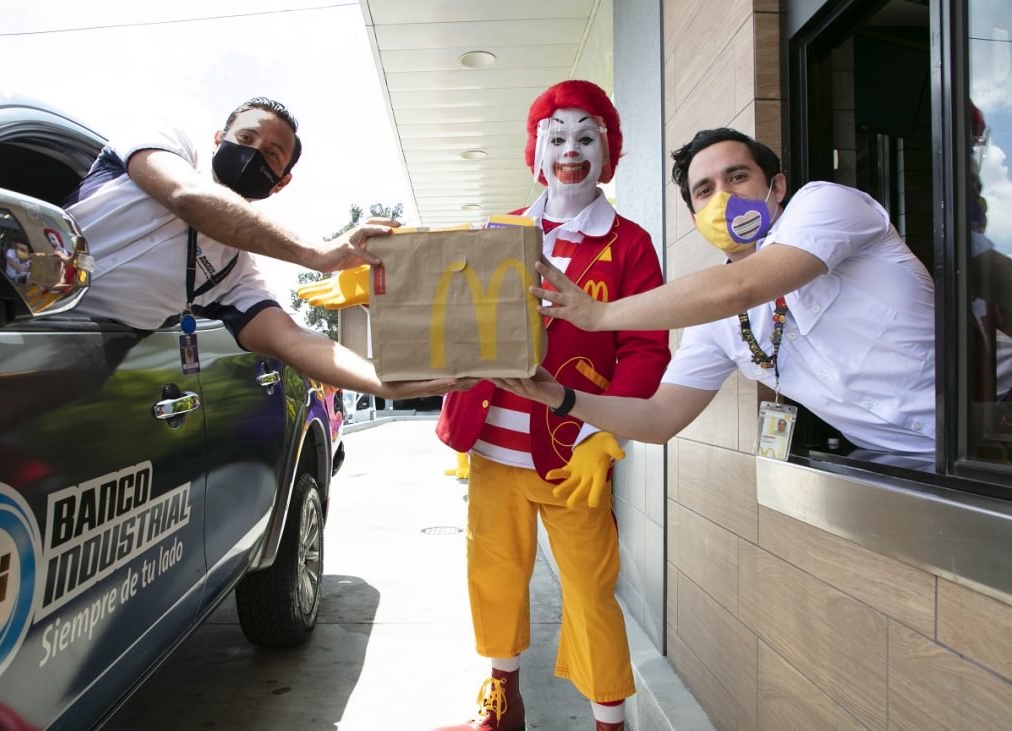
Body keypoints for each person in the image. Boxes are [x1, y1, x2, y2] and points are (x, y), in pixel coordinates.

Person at [430, 81, 670, 731]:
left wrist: (604, 429)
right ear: (536, 150)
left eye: (586, 137)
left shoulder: (630, 245)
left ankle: (609, 721)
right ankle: (502, 703)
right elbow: (457, 324)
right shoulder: (497, 230)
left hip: (575, 452)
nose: (570, 151)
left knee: (591, 591)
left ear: (608, 151)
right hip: (492, 448)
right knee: (495, 574)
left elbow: (646, 348)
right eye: (556, 137)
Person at [496, 127, 937, 456]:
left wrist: (600, 315)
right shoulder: (718, 323)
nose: (723, 198)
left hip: (991, 427)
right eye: (704, 191)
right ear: (695, 218)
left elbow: (739, 288)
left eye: (738, 177)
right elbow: (659, 419)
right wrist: (559, 397)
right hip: (909, 467)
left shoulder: (826, 205)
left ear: (776, 186)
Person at [65, 96, 459, 399]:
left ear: (280, 183)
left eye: (271, 154)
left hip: (71, 362)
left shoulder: (235, 274)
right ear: (220, 140)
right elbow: (187, 196)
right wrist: (315, 253)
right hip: (14, 310)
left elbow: (293, 339)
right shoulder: (167, 140)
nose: (254, 152)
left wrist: (383, 382)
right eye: (246, 138)